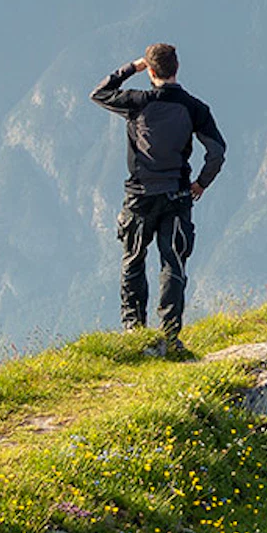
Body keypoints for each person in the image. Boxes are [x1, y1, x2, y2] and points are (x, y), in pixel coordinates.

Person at [91, 42, 225, 349]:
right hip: (177, 196)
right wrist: (201, 183)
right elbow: (217, 151)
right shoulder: (195, 108)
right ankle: (170, 335)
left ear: (150, 71)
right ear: (177, 68)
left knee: (134, 260)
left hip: (139, 195)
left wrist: (130, 68)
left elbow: (98, 93)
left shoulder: (137, 101)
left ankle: (134, 331)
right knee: (173, 263)